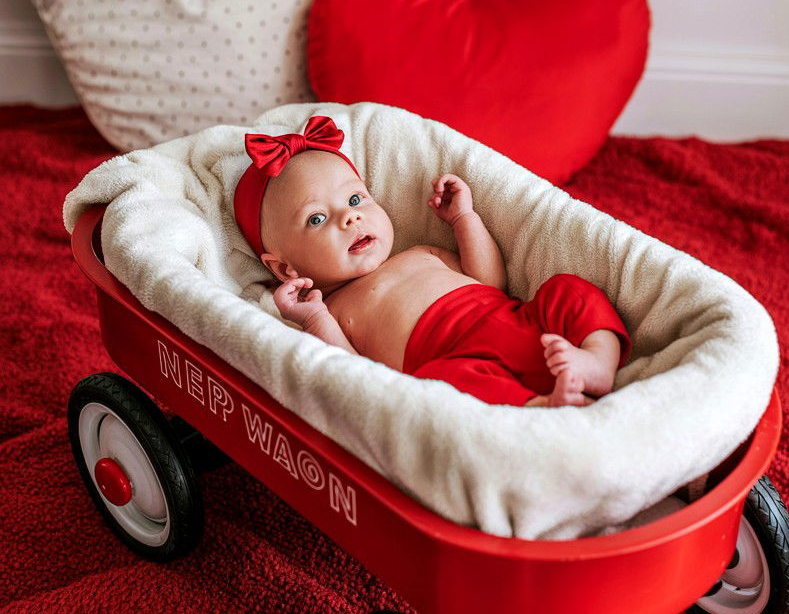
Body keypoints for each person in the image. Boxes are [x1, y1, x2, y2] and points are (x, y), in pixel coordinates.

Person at [234, 116, 630, 408]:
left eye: (356, 200)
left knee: (568, 290)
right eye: (317, 218)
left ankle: (597, 360)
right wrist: (313, 317)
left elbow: (489, 281)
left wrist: (464, 221)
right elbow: (351, 373)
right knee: (441, 387)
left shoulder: (420, 252)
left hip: (523, 323)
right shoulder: (332, 310)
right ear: (286, 269)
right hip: (462, 363)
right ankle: (539, 408)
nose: (350, 217)